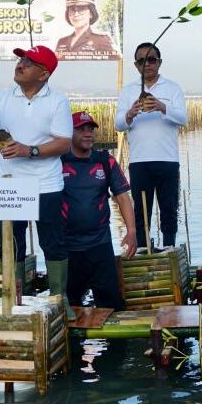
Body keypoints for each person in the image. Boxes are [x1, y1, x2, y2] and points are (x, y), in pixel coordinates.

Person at [0, 45, 74, 315]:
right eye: (21, 60)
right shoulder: (0, 98)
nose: (21, 64)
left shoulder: (58, 101)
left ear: (44, 74)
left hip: (45, 184)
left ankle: (59, 300)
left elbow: (64, 144)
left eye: (29, 62)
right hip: (7, 184)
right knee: (9, 245)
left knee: (53, 243)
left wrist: (30, 150)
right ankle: (14, 301)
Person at [62, 111, 137, 310]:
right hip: (67, 248)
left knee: (111, 306)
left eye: (91, 129)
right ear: (69, 132)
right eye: (81, 129)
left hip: (100, 245)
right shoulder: (57, 162)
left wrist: (131, 231)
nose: (88, 134)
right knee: (68, 308)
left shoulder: (105, 161)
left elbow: (122, 197)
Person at [115, 42, 187, 249]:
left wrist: (162, 107)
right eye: (141, 61)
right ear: (136, 65)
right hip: (139, 161)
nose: (147, 64)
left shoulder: (172, 88)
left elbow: (183, 119)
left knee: (169, 210)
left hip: (167, 159)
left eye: (151, 59)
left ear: (159, 62)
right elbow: (118, 124)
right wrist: (130, 114)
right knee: (141, 212)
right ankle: (142, 251)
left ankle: (169, 250)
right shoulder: (129, 91)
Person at [55, 0, 119, 59]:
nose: (76, 14)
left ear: (91, 13)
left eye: (81, 9)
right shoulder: (62, 42)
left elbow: (118, 63)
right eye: (72, 9)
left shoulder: (102, 40)